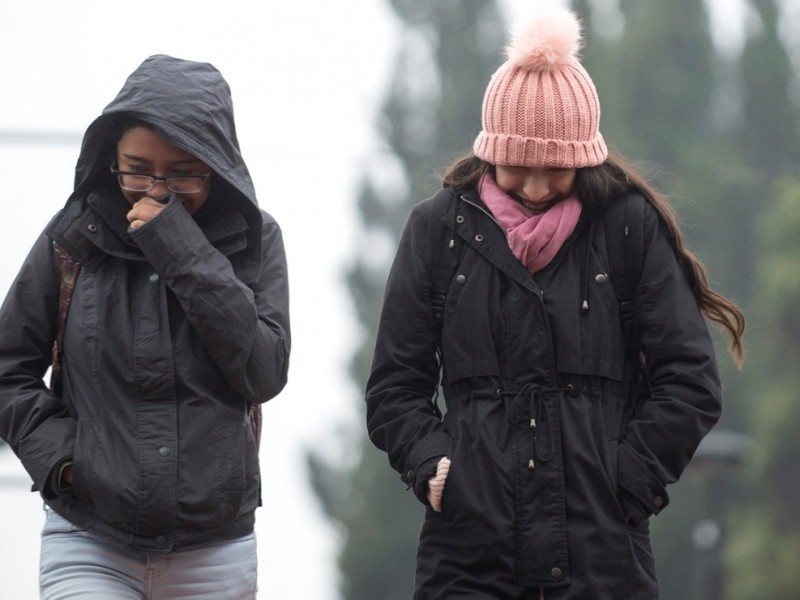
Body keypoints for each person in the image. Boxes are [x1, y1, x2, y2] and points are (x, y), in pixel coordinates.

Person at [365, 7, 745, 600]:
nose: (537, 188)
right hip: (467, 559)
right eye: (519, 168)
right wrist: (437, 468)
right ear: (491, 150)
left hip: (604, 559)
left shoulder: (627, 228)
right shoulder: (436, 230)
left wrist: (629, 482)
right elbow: (394, 389)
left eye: (557, 170)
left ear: (585, 157)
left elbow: (690, 380)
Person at [0, 55, 290, 599]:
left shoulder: (256, 240)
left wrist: (179, 246)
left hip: (214, 550)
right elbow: (6, 368)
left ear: (216, 163)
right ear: (110, 157)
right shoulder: (71, 237)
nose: (155, 190)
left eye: (182, 173)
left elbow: (263, 371)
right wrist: (64, 461)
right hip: (88, 536)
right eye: (136, 168)